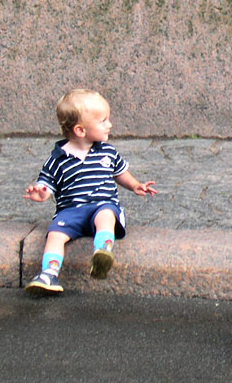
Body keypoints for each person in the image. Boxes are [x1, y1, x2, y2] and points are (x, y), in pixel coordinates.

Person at [24, 89, 158, 296]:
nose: (109, 125)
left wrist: (135, 185)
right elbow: (46, 187)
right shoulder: (57, 160)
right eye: (103, 121)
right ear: (80, 130)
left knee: (106, 215)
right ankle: (48, 274)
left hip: (101, 204)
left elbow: (120, 173)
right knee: (54, 235)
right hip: (70, 212)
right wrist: (41, 194)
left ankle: (102, 252)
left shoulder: (107, 151)